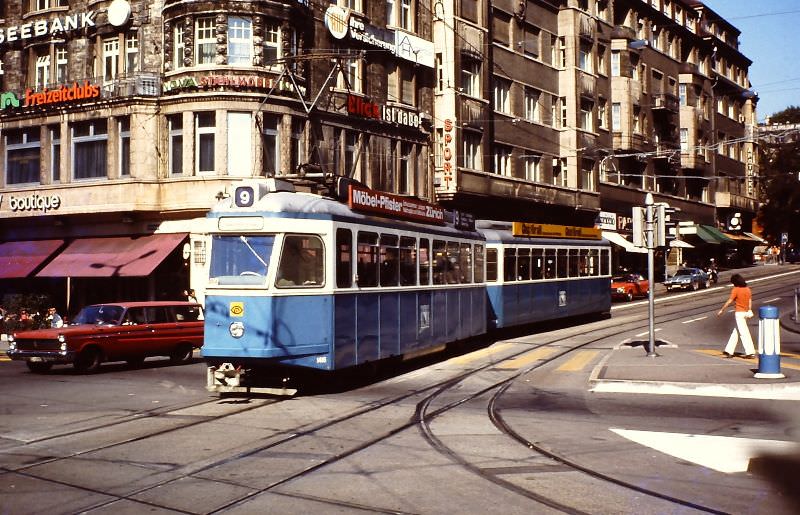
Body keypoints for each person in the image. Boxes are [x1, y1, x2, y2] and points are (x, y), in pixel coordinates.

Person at [716, 273, 755, 358]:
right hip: (746, 313)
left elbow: (729, 301)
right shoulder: (747, 289)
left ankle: (750, 352)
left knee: (743, 333)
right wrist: (749, 310)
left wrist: (722, 310)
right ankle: (729, 351)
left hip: (739, 313)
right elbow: (749, 301)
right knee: (736, 332)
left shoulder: (736, 289)